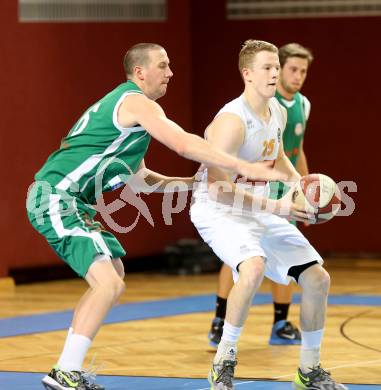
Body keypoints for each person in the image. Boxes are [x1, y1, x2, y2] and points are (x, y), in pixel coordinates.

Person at [26, 43, 285, 390]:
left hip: (69, 201)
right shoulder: (135, 101)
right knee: (109, 283)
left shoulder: (133, 121)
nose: (170, 73)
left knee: (113, 275)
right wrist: (240, 165)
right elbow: (181, 143)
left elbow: (142, 180)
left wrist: (191, 184)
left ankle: (66, 368)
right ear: (139, 73)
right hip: (55, 196)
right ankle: (65, 371)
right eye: (163, 66)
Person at [190, 40, 347, 390]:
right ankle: (224, 361)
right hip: (218, 210)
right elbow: (217, 188)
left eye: (277, 66)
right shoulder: (232, 121)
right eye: (267, 67)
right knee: (254, 267)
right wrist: (278, 205)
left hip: (256, 207)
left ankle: (309, 371)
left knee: (318, 279)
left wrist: (300, 183)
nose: (275, 72)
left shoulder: (276, 110)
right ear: (247, 73)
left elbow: (276, 156)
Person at [208, 42, 314, 348]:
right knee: (242, 255)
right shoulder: (249, 108)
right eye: (288, 68)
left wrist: (305, 185)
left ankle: (281, 322)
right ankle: (220, 318)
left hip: (283, 185)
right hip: (247, 188)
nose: (296, 76)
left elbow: (294, 151)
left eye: (301, 71)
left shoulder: (300, 106)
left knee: (292, 253)